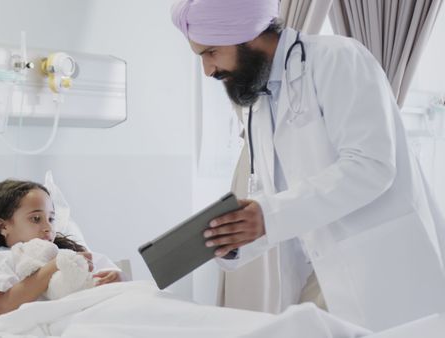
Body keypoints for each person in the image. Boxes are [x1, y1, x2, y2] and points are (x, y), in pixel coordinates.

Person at [171, 0, 445, 331]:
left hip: (383, 270)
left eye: (210, 52)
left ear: (247, 33)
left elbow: (371, 166)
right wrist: (233, 242)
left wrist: (268, 216)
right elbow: (274, 200)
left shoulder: (339, 58)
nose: (208, 70)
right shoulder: (258, 104)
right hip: (321, 274)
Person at [0, 179, 122, 321]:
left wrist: (115, 278)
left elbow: (113, 275)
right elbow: (2, 307)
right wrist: (55, 265)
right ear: (3, 226)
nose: (48, 228)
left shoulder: (67, 252)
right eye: (36, 219)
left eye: (51, 219)